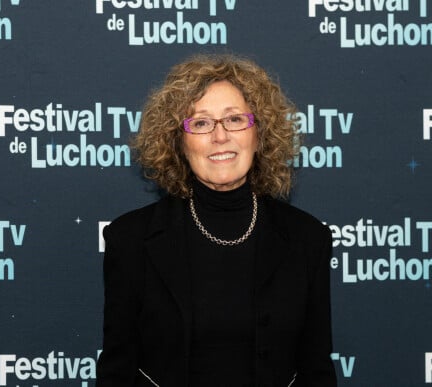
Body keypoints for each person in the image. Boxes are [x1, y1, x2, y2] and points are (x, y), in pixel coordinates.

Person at [96, 53, 337, 387]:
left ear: (260, 133)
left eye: (235, 119)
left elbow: (317, 372)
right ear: (178, 141)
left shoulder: (307, 239)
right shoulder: (131, 240)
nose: (220, 136)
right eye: (201, 123)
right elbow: (117, 373)